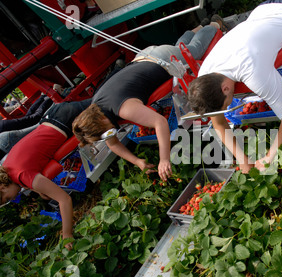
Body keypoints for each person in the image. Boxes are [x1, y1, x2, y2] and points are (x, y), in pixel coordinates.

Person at [72, 22, 223, 181]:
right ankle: (196, 28)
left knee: (195, 50)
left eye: (105, 132)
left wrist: (164, 159)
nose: (108, 133)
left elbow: (160, 122)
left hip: (161, 59)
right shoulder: (96, 106)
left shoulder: (123, 108)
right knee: (178, 49)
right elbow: (113, 144)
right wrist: (137, 161)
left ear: (99, 122)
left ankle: (213, 24)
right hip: (145, 56)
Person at [187, 0, 282, 173]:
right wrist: (243, 160)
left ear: (226, 89)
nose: (226, 108)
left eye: (225, 105)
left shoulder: (251, 71)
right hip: (262, 10)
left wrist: (270, 156)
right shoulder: (205, 77)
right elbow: (219, 122)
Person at [0, 99, 91, 242]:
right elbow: (30, 164)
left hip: (65, 120)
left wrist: (67, 234)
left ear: (3, 186)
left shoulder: (21, 176)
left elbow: (64, 199)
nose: (12, 199)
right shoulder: (8, 167)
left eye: (7, 198)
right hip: (54, 117)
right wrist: (40, 190)